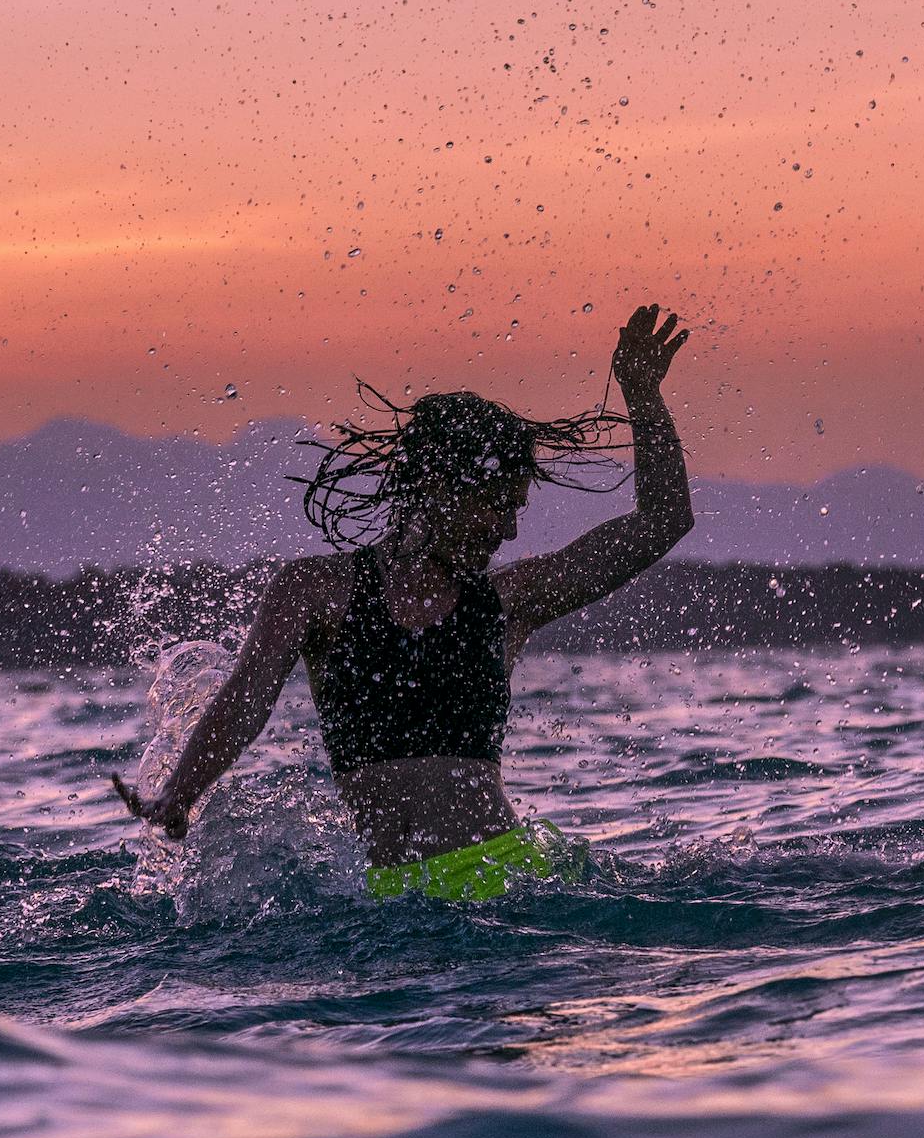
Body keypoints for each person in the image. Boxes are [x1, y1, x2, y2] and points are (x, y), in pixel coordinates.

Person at [113, 305, 694, 899]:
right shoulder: (316, 592)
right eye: (498, 505)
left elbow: (662, 520)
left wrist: (643, 394)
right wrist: (179, 793)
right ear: (438, 487)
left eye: (518, 508)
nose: (511, 531)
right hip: (380, 898)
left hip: (503, 877)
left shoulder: (506, 601)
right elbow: (243, 700)